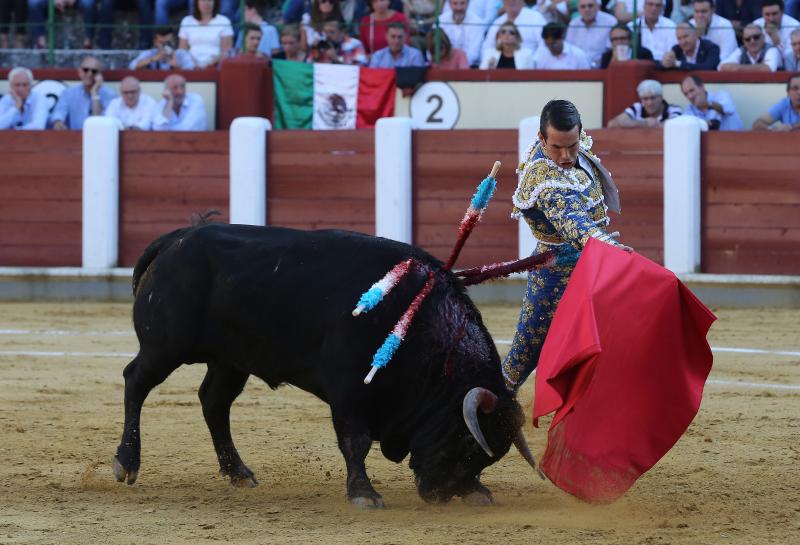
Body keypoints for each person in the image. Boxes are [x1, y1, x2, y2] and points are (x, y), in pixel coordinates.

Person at [502, 99, 631, 391]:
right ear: (541, 139)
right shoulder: (543, 177)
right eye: (556, 147)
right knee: (521, 358)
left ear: (580, 134)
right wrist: (604, 245)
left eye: (572, 146)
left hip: (592, 268)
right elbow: (573, 221)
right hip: (555, 277)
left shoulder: (577, 147)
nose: (565, 155)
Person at [50, 56, 115, 131]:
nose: (89, 74)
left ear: (99, 75)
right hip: (74, 139)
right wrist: (58, 122)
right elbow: (58, 113)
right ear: (79, 72)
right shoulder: (69, 93)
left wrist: (95, 93)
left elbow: (98, 122)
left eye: (94, 71)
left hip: (99, 138)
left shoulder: (110, 96)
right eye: (85, 70)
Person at [178, 0, 234, 69]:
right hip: (191, 67)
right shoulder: (186, 21)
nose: (206, 3)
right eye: (203, 0)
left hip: (216, 66)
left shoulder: (224, 21)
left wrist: (212, 63)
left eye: (209, 0)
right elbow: (182, 51)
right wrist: (194, 65)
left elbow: (226, 51)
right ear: (197, 2)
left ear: (215, 2)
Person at [482, 0, 547, 56]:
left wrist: (532, 62)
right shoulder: (498, 22)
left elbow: (544, 45)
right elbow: (487, 47)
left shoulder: (535, 17)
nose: (510, 1)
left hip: (529, 66)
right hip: (501, 66)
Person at [607, 79, 682, 127]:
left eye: (653, 98)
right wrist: (644, 123)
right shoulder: (637, 107)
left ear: (661, 97)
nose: (649, 103)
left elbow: (675, 126)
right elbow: (612, 124)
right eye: (645, 99)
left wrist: (654, 125)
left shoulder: (673, 109)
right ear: (641, 100)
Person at [566, 0, 619, 68]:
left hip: (602, 67)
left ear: (598, 7)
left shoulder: (610, 21)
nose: (587, 9)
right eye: (583, 6)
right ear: (578, 9)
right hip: (578, 67)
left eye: (590, 6)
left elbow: (611, 50)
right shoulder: (573, 24)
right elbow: (570, 49)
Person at [438, 0, 485, 67]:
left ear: (468, 3)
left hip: (468, 68)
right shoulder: (441, 21)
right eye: (455, 3)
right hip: (443, 66)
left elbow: (474, 54)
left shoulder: (477, 22)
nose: (459, 8)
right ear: (449, 4)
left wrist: (456, 64)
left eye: (462, 3)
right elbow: (432, 49)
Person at [129, 27, 194, 70]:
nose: (165, 46)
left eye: (168, 43)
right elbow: (132, 66)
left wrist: (176, 66)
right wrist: (153, 59)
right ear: (155, 43)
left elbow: (191, 71)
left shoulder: (181, 54)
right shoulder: (150, 53)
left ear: (173, 41)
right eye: (161, 43)